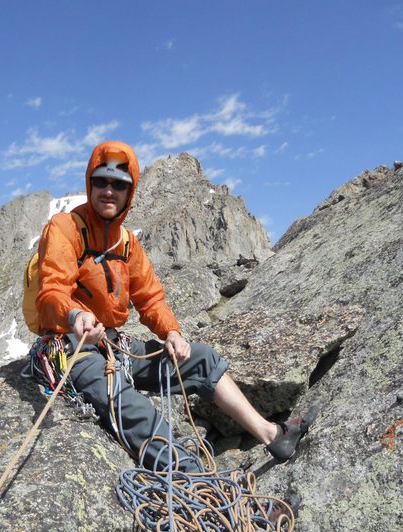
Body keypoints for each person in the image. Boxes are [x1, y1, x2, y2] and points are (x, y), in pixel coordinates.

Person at [34, 140, 311, 470]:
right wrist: (75, 314)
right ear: (89, 184)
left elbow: (150, 298)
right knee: (128, 404)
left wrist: (173, 333)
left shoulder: (126, 243)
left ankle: (270, 434)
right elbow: (51, 291)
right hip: (70, 347)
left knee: (202, 359)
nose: (109, 191)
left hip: (111, 343)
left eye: (119, 184)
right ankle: (197, 486)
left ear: (130, 190)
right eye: (101, 182)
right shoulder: (64, 228)